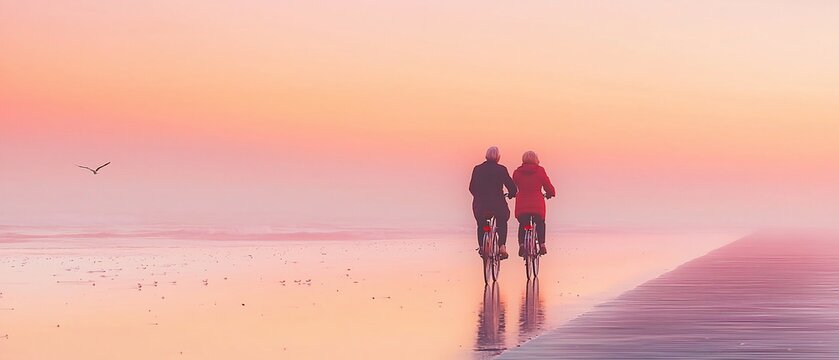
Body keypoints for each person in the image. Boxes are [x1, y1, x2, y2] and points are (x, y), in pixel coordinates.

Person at [469, 146, 517, 259]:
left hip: (481, 204)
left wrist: (478, 196)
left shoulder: (477, 169)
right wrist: (511, 194)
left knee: (481, 224)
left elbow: (471, 187)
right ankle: (502, 246)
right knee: (502, 221)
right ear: (498, 157)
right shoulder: (501, 169)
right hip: (497, 203)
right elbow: (511, 187)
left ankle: (481, 247)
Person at [512, 151, 555, 256]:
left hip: (522, 205)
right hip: (537, 206)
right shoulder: (540, 171)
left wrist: (512, 194)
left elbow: (513, 187)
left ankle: (522, 245)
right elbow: (547, 185)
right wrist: (550, 193)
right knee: (540, 223)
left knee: (523, 224)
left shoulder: (517, 172)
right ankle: (542, 245)